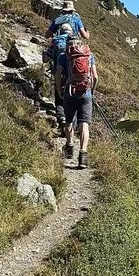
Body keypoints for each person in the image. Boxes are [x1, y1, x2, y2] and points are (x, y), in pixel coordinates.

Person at [58, 38, 98, 169]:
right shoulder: (89, 55)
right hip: (86, 92)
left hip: (69, 91)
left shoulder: (63, 56)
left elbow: (58, 74)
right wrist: (91, 90)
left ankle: (69, 148)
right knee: (84, 124)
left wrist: (59, 90)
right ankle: (83, 157)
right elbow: (95, 77)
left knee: (69, 121)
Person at [48, 23, 74, 127]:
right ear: (70, 32)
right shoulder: (75, 42)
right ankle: (71, 125)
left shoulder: (56, 41)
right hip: (73, 76)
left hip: (59, 72)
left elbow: (45, 59)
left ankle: (61, 118)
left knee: (59, 97)